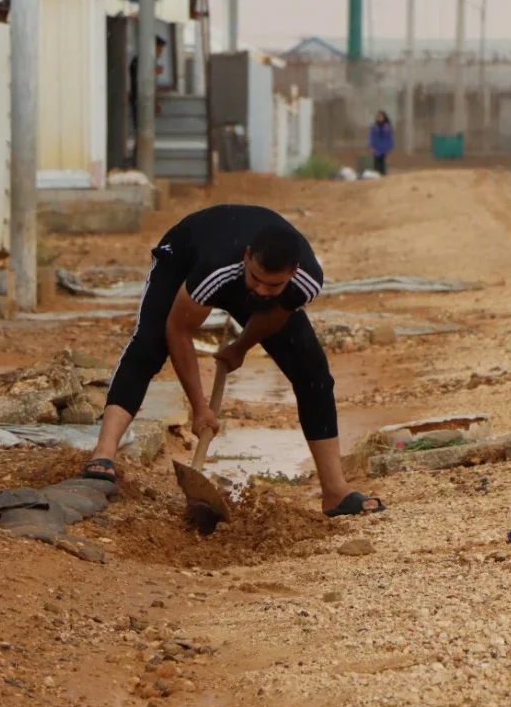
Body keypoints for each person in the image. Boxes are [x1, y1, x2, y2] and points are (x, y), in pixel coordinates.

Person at [82, 204, 387, 518]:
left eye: (274, 285)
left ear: (292, 273)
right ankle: (104, 455)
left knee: (313, 372)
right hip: (184, 261)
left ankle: (335, 492)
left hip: (240, 273)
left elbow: (275, 314)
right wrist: (200, 407)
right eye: (257, 278)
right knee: (148, 346)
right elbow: (179, 330)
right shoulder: (216, 267)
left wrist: (240, 347)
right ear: (247, 256)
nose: (262, 290)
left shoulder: (306, 280)